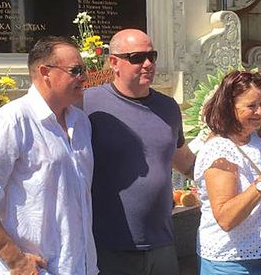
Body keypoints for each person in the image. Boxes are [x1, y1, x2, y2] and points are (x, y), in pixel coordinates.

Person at [0, 36, 98, 275]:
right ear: (45, 72)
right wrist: (16, 260)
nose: (84, 78)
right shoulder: (12, 121)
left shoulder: (80, 122)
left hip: (81, 267)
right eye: (76, 70)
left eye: (84, 70)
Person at [83, 29, 196, 275]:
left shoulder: (168, 107)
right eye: (136, 57)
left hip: (161, 243)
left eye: (152, 56)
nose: (147, 64)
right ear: (114, 62)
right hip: (109, 246)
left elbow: (181, 158)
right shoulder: (87, 105)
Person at [193, 70, 261, 275]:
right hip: (231, 263)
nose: (260, 112)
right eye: (251, 106)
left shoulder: (257, 141)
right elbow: (226, 218)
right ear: (230, 108)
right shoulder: (219, 149)